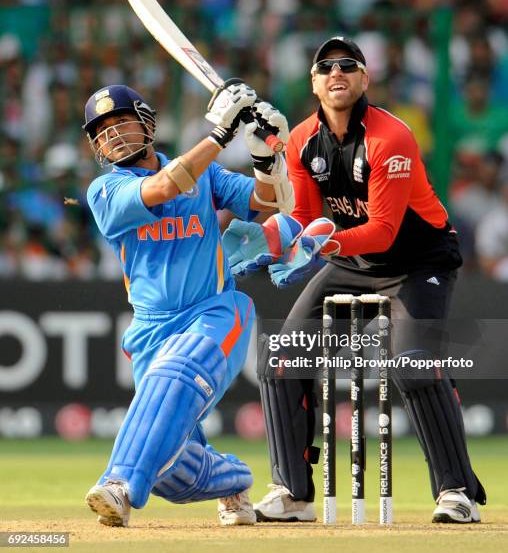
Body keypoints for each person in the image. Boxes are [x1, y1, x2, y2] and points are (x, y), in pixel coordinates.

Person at [223, 36, 486, 523]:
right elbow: (301, 215)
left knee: (411, 364)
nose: (336, 73)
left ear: (365, 79)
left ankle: (456, 492)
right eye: (326, 67)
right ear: (315, 83)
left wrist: (320, 243)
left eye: (348, 65)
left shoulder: (392, 137)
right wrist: (274, 235)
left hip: (419, 261)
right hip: (353, 262)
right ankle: (292, 493)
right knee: (281, 359)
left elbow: (384, 232)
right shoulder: (301, 139)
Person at [81, 80, 296, 527]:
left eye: (122, 121)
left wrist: (264, 159)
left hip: (215, 311)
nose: (114, 135)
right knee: (171, 472)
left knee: (175, 371)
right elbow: (163, 187)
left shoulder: (209, 176)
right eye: (103, 130)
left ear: (147, 123)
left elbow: (269, 202)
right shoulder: (104, 191)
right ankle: (235, 479)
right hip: (151, 331)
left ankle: (119, 484)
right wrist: (220, 134)